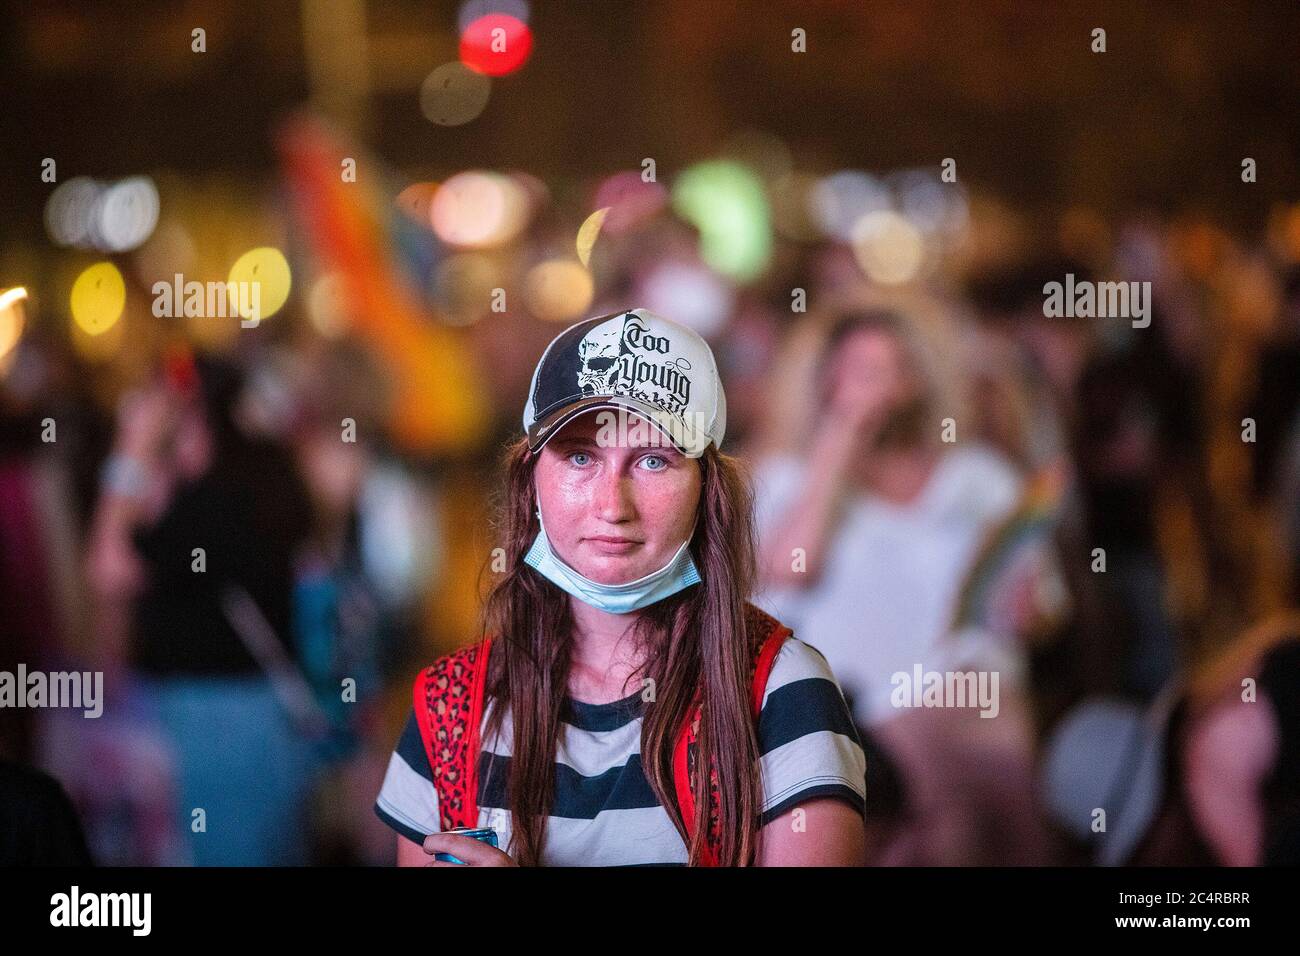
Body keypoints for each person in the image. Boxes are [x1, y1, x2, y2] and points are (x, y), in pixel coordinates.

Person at [373, 308, 868, 866]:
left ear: (709, 491)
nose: (613, 506)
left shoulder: (781, 691)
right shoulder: (449, 709)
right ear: (530, 482)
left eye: (654, 461)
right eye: (580, 457)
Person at [750, 293, 1056, 864]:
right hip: (852, 707)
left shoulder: (978, 478)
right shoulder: (791, 479)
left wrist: (1025, 610)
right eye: (858, 372)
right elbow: (787, 570)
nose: (875, 388)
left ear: (919, 380)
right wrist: (842, 438)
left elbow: (1042, 610)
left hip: (974, 696)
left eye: (889, 369)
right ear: (824, 382)